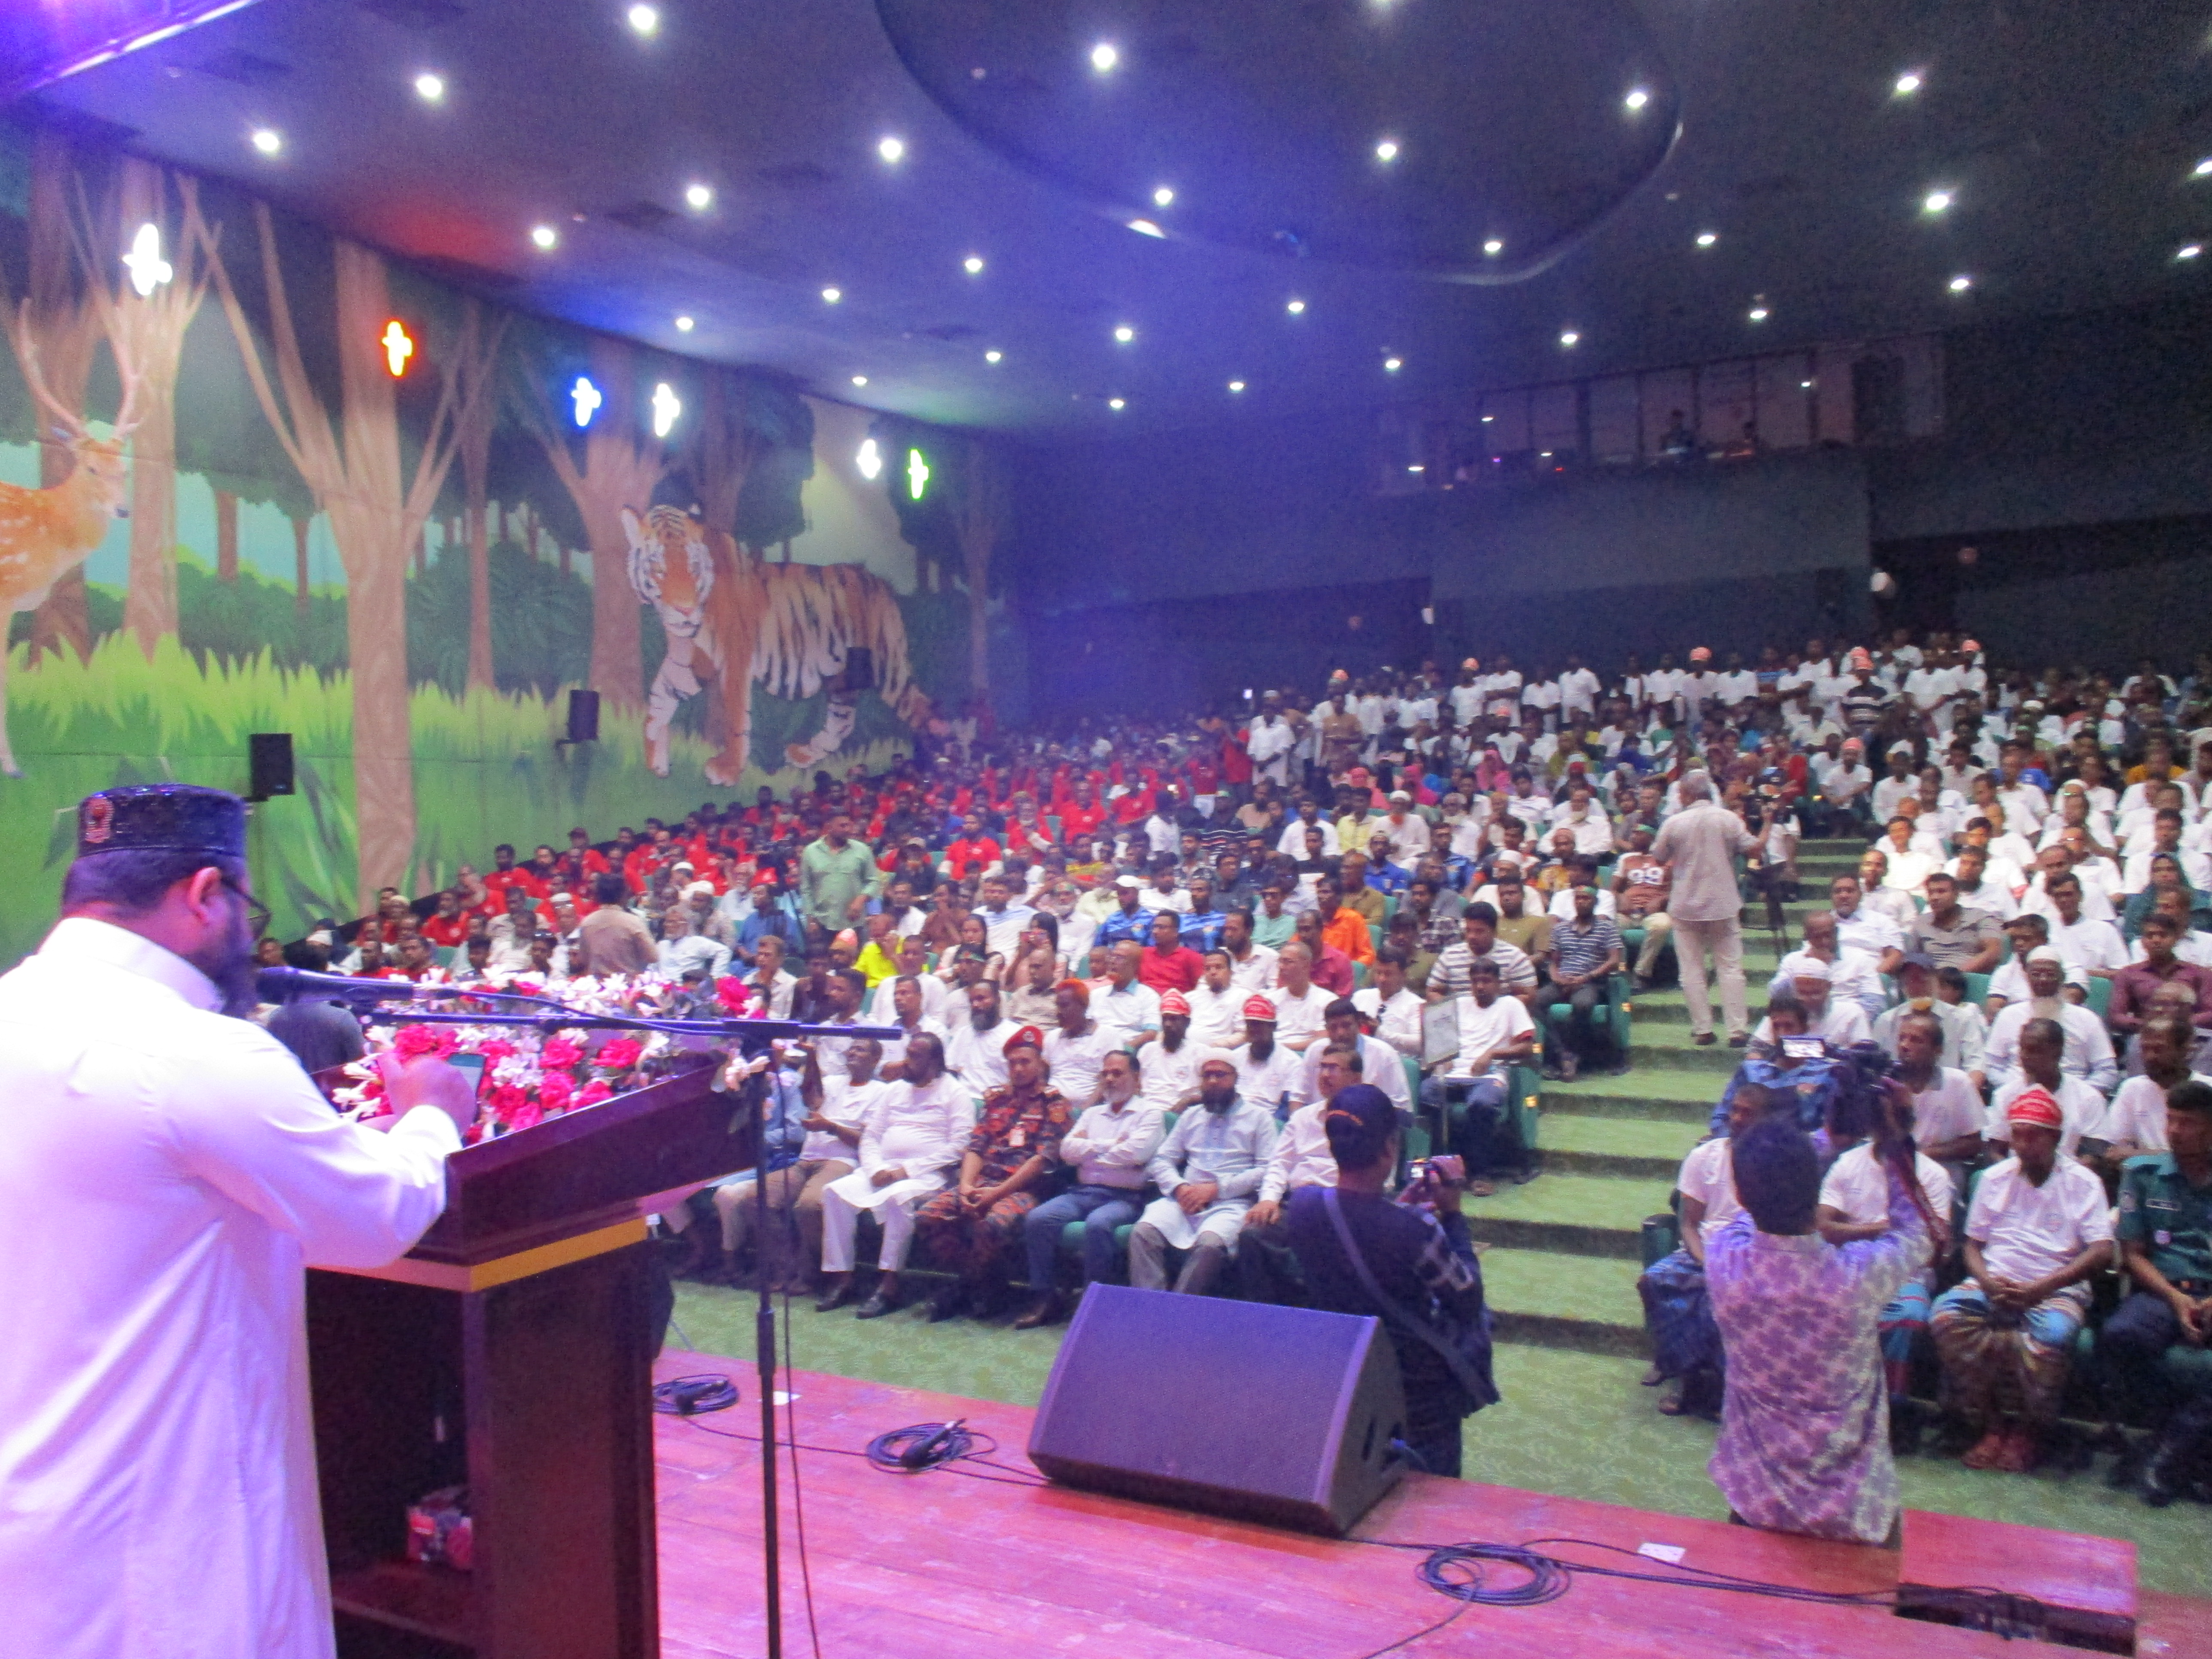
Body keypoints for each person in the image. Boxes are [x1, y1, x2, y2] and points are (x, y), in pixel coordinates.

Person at [0, 785, 473, 1659]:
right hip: (162, 1535)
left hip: (34, 1511)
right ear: (205, 893)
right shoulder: (193, 1050)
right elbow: (375, 1217)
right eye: (245, 909)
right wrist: (431, 1114)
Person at [1709, 1093, 1938, 1542]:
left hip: (1757, 1501)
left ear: (1739, 1194)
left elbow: (1754, 1199)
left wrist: (1827, 1136)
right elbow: (1918, 1232)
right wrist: (1894, 1142)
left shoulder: (1723, 1261)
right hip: (1853, 1510)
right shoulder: (1856, 1277)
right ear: (1816, 1191)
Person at [1286, 1083, 1498, 1477]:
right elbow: (1467, 1298)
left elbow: (1358, 1229)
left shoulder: (1302, 1207)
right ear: (1389, 1148)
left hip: (1349, 1373)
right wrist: (1453, 1215)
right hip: (1418, 1393)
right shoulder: (1416, 1229)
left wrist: (1396, 1210)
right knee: (1431, 1496)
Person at [1931, 1088, 2115, 1472]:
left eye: (2034, 1135)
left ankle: (2029, 1431)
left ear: (2056, 1138)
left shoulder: (2084, 1182)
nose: (2024, 1144)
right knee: (1946, 1318)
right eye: (2017, 1135)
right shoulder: (1994, 1177)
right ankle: (1992, 1424)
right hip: (1995, 1283)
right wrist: (1987, 1282)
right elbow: (1972, 1246)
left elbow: (2101, 1251)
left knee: (2054, 1336)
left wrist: (2042, 1288)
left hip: (2056, 1288)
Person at [1815, 1088, 1956, 1451]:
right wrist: (1881, 1230)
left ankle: (1891, 1412)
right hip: (1852, 1268)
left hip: (1906, 1275)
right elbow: (1825, 1227)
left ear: (1907, 1123)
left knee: (1908, 1316)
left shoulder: (1932, 1175)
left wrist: (1883, 1239)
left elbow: (1934, 1246)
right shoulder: (1848, 1164)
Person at [912, 1025, 1072, 1322]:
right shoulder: (996, 1100)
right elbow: (976, 1148)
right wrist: (965, 1186)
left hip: (1025, 1189)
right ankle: (979, 1283)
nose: (1018, 1069)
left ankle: (974, 1288)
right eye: (1013, 1063)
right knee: (928, 1216)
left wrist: (997, 1194)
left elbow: (1041, 1161)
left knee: (993, 1224)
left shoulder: (1054, 1104)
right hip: (982, 1182)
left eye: (1025, 1062)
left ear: (1040, 1065)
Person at [2101, 1079, 2212, 1506]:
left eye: (2188, 1123)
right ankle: (2170, 1442)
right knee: (2120, 1337)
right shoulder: (2143, 1174)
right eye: (2172, 1120)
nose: (2176, 1131)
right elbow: (2133, 1254)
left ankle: (2169, 1454)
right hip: (2163, 1290)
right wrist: (2176, 1299)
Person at [1638, 1083, 1774, 1419]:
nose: (1737, 1118)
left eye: (1747, 1113)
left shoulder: (1776, 1162)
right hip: (1703, 1252)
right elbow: (1688, 1225)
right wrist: (1706, 1262)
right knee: (1652, 1282)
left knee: (1718, 1298)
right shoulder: (1705, 1156)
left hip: (1753, 1258)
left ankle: (1709, 1386)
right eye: (1735, 1110)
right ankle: (1676, 1363)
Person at [815, 1032, 974, 1319]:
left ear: (934, 1061)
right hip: (883, 1169)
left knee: (899, 1199)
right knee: (834, 1192)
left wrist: (906, 1171)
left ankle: (889, 1286)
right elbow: (871, 1136)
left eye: (915, 1056)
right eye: (907, 1054)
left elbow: (960, 1147)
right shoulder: (895, 1090)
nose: (906, 1061)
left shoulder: (955, 1093)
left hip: (927, 1175)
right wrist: (876, 1168)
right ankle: (843, 1279)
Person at [717, 1038, 884, 1292]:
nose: (852, 1052)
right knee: (757, 1198)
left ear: (875, 1059)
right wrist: (813, 1058)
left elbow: (869, 1141)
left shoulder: (880, 1092)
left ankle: (810, 1275)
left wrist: (830, 1127)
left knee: (808, 1206)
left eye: (860, 1049)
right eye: (851, 1048)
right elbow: (811, 1099)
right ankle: (786, 1268)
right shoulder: (833, 1082)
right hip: (806, 1160)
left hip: (842, 1161)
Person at [1015, 1048, 1165, 1328]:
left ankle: (1094, 1304)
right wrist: (1112, 1147)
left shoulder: (1150, 1114)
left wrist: (1090, 1150)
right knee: (1038, 1219)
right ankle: (1045, 1298)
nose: (1110, 1079)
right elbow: (1067, 1151)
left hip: (1127, 1197)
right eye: (1105, 1074)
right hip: (1083, 1192)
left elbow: (1136, 1154)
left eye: (1117, 1073)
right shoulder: (1092, 1114)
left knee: (1098, 1225)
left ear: (1136, 1078)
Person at [1129, 1055, 1278, 1295]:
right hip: (1185, 1201)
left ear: (1236, 1078)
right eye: (1207, 1075)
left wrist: (1217, 1189)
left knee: (1209, 1245)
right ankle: (1149, 1305)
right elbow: (1162, 1159)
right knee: (1143, 1233)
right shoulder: (1191, 1116)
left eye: (1220, 1075)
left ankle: (1178, 1309)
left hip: (1231, 1204)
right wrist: (1180, 1188)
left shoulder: (1259, 1118)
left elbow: (1266, 1169)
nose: (1213, 1081)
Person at [1650, 770, 1758, 1048]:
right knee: (1730, 968)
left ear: (1687, 794)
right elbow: (1753, 849)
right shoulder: (1728, 819)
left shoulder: (1674, 822)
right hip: (1722, 901)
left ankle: (1703, 1029)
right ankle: (1737, 1031)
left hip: (1686, 904)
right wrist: (1768, 824)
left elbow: (1658, 857)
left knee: (1691, 970)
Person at [1420, 959, 1537, 1193]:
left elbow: (1528, 1047)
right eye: (1475, 981)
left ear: (1499, 983)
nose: (1480, 986)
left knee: (1482, 1104)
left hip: (1489, 1076)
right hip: (1454, 1074)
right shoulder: (1459, 1004)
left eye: (1486, 981)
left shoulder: (1511, 1005)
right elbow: (1437, 1037)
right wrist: (1444, 1056)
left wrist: (1493, 1054)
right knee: (1426, 1094)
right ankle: (1440, 1168)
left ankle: (1480, 1173)